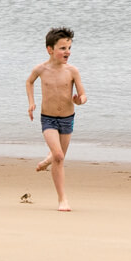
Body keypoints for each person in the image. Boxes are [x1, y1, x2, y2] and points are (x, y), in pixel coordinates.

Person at [26, 27, 87, 211]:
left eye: (68, 48)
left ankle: (47, 161)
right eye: (62, 48)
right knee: (59, 157)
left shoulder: (72, 71)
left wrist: (79, 100)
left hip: (68, 119)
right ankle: (63, 200)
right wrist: (31, 103)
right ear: (50, 49)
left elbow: (83, 95)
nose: (67, 52)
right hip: (48, 119)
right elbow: (29, 82)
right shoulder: (40, 69)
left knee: (58, 157)